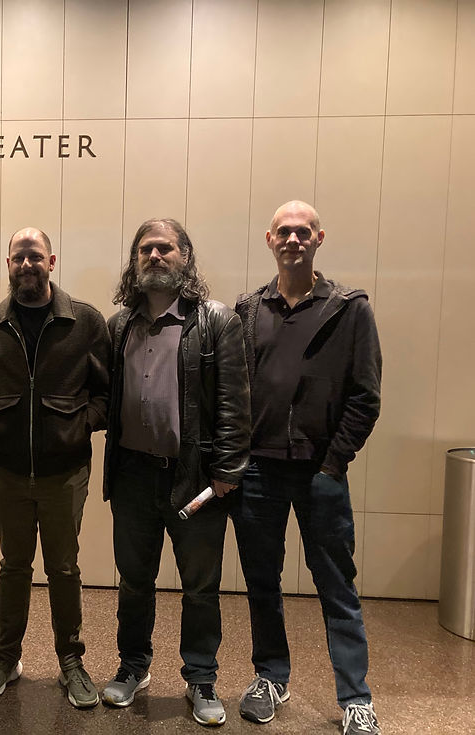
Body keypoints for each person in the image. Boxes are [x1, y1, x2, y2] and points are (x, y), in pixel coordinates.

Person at [232, 201, 382, 735]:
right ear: (269, 239)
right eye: (284, 232)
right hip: (258, 474)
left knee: (337, 587)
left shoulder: (349, 309)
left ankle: (356, 699)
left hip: (322, 474)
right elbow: (235, 391)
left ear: (319, 238)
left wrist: (334, 463)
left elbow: (366, 396)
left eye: (303, 232)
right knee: (262, 583)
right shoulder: (248, 310)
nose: (292, 239)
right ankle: (271, 677)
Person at [100, 219, 250, 726]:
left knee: (200, 587)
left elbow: (235, 402)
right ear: (134, 260)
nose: (155, 255)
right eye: (145, 248)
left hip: (196, 480)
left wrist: (227, 470)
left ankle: (201, 678)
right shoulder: (119, 325)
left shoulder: (216, 321)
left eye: (166, 247)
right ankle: (133, 667)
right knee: (133, 581)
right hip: (132, 477)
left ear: (185, 255)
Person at [0, 227, 110, 709]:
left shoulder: (85, 321)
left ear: (51, 261)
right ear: (8, 264)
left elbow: (105, 392)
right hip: (7, 471)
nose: (26, 264)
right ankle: (5, 658)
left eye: (35, 256)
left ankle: (71, 661)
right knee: (13, 567)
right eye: (18, 257)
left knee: (64, 568)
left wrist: (80, 427)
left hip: (65, 473)